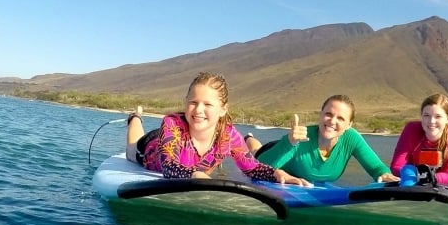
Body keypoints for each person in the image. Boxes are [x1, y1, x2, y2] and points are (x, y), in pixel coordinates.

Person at [126, 72, 310, 186]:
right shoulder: (171, 123)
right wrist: (195, 174)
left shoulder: (228, 136)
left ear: (223, 109)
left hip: (179, 148)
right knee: (131, 148)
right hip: (150, 149)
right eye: (193, 102)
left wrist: (277, 174)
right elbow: (169, 168)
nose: (198, 110)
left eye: (207, 104)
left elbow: (252, 168)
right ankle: (136, 116)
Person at [244, 94, 399, 184]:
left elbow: (376, 168)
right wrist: (289, 142)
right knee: (256, 149)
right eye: (328, 114)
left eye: (340, 118)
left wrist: (384, 174)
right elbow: (258, 167)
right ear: (321, 114)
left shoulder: (352, 139)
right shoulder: (301, 137)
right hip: (279, 151)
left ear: (349, 125)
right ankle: (248, 137)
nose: (332, 121)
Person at [389, 93, 448, 185]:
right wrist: (411, 173)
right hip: (411, 177)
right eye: (426, 115)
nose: (431, 121)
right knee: (408, 170)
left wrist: (430, 177)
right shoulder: (411, 129)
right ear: (421, 116)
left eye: (438, 116)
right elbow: (396, 166)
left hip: (444, 180)